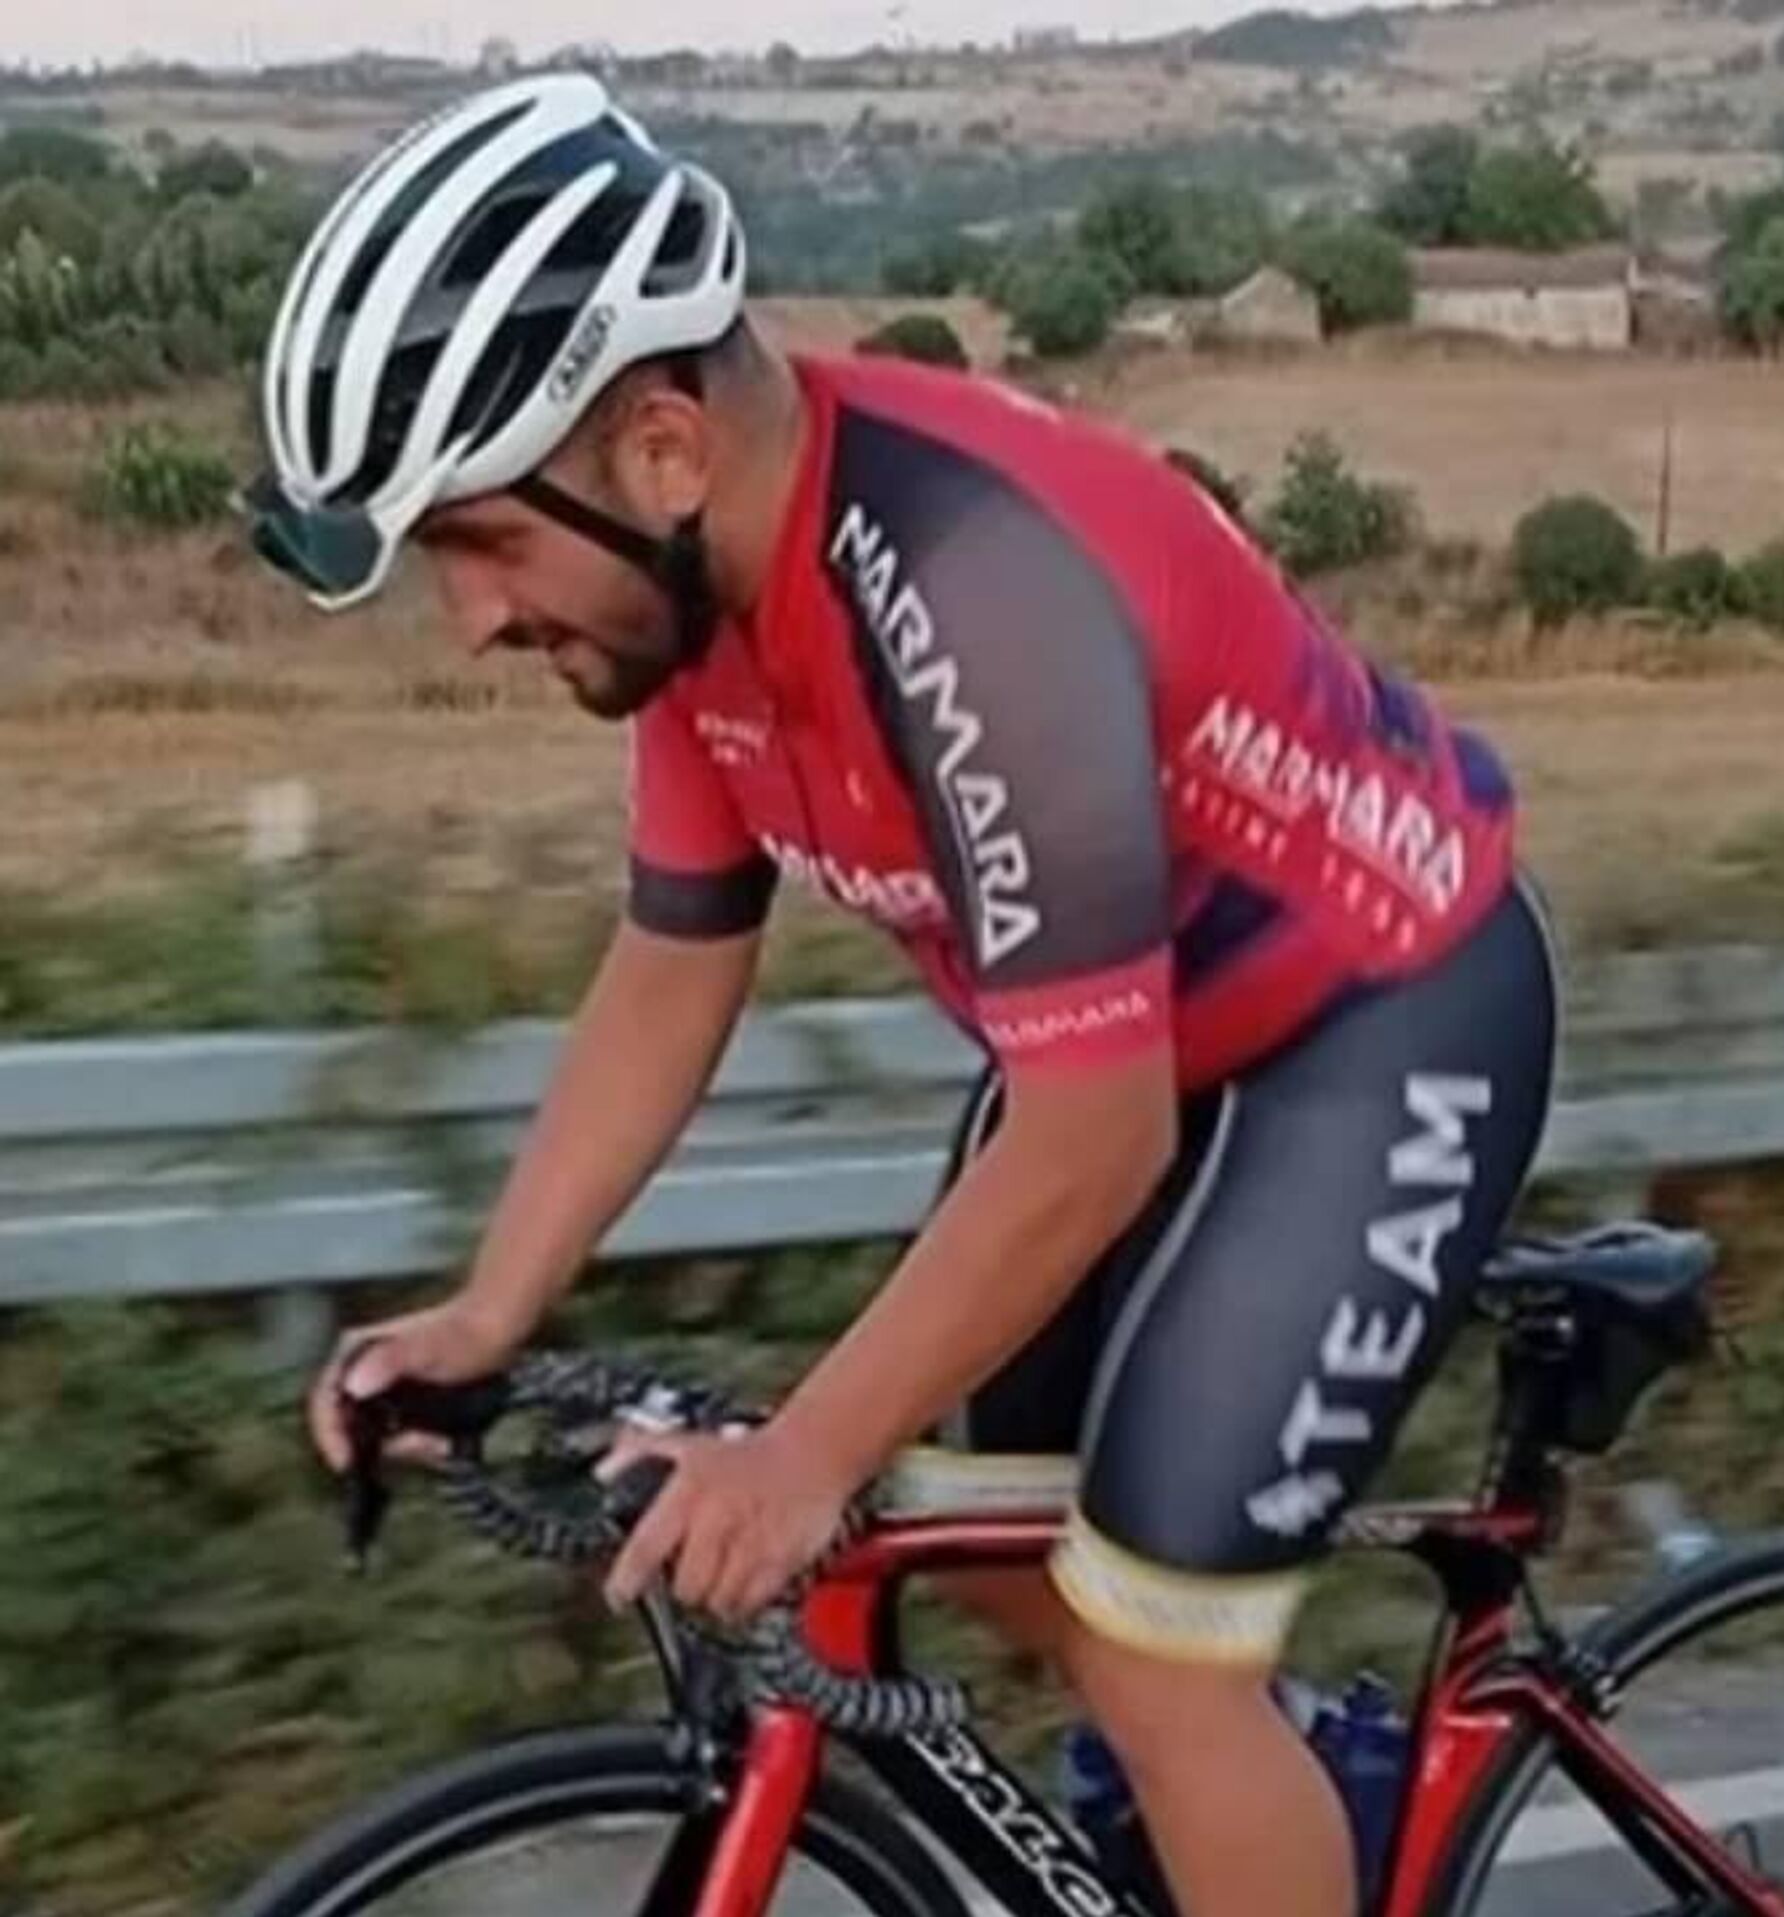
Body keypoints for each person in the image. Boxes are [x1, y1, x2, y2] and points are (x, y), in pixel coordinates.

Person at [247, 71, 1559, 1917]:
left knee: (1155, 1653)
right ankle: (1286, 1795)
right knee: (973, 1532)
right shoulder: (700, 608)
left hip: (1381, 1031)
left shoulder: (968, 586)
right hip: (1135, 1048)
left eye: (480, 540)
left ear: (662, 448)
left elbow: (1092, 1138)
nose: (470, 617)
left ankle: (1234, 1775)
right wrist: (490, 1305)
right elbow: (676, 952)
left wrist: (800, 1453)